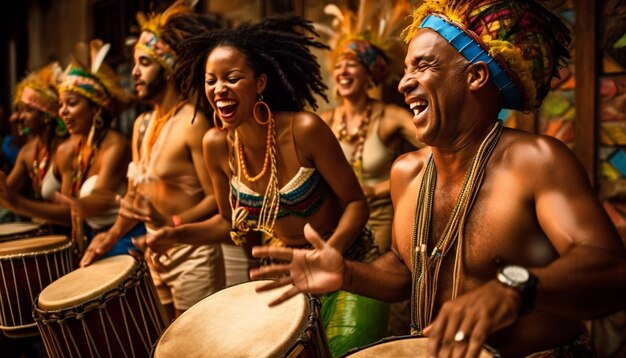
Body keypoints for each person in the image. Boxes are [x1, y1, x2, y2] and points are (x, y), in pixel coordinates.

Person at [250, 0, 626, 357]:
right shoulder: (407, 172)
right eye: (406, 70)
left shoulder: (536, 162)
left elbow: (611, 272)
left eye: (423, 66)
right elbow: (404, 269)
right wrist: (348, 273)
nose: (403, 84)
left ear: (476, 75)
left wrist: (516, 287)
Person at [146, 15, 389, 357]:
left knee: (344, 353)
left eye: (232, 78)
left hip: (350, 265)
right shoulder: (216, 145)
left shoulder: (304, 129)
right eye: (211, 81)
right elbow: (229, 222)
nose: (219, 90)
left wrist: (329, 252)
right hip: (287, 277)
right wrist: (177, 234)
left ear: (259, 83)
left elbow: (356, 204)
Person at [79, 0, 226, 321]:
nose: (134, 72)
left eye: (144, 62)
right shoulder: (141, 124)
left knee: (195, 343)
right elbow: (136, 195)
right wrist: (111, 235)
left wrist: (171, 223)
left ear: (169, 67)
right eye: (134, 63)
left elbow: (217, 199)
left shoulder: (192, 122)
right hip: (154, 251)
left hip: (192, 253)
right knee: (166, 339)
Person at [319, 1, 421, 336]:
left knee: (381, 312)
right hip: (338, 226)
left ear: (370, 73)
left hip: (381, 223)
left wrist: (382, 188)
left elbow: (438, 146)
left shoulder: (389, 117)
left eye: (354, 64)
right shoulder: (323, 122)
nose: (344, 71)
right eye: (339, 65)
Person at [0, 39, 140, 262]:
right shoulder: (68, 149)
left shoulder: (116, 145)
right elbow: (70, 214)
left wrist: (18, 203)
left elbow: (87, 208)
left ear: (96, 107)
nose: (62, 112)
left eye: (71, 104)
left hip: (125, 238)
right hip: (92, 239)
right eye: (61, 104)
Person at [0, 63, 69, 228]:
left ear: (46, 116)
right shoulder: (27, 152)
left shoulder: (66, 149)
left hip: (67, 241)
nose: (20, 116)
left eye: (28, 110)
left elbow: (69, 214)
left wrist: (17, 203)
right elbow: (5, 197)